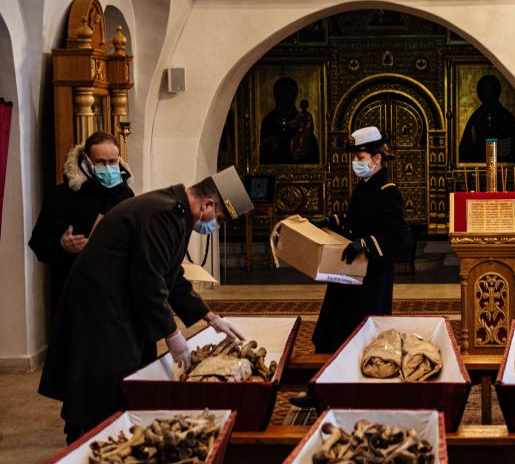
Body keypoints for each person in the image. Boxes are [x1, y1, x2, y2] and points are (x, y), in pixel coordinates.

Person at [38, 167, 253, 442]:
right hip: (100, 305)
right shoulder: (164, 214)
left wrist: (210, 316)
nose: (216, 226)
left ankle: (113, 432)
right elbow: (150, 281)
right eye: (219, 218)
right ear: (207, 204)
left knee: (132, 366)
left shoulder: (175, 212)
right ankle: (88, 438)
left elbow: (171, 275)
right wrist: (172, 335)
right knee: (107, 375)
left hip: (117, 300)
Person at [291, 127, 410, 407]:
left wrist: (365, 243)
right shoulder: (367, 187)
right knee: (329, 332)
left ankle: (358, 394)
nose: (356, 162)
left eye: (360, 156)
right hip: (348, 275)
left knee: (358, 336)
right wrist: (331, 222)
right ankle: (320, 391)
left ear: (377, 158)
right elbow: (355, 220)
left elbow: (400, 235)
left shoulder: (387, 192)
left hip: (370, 280)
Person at [28, 131, 134, 311]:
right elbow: (39, 243)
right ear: (86, 160)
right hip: (76, 295)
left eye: (112, 162)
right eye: (101, 162)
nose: (108, 168)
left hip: (116, 296)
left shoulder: (125, 194)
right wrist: (62, 245)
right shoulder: (61, 196)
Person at [458, 74, 515, 163]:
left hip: (501, 165)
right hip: (479, 164)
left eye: (490, 89)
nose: (487, 93)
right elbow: (466, 147)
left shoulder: (506, 117)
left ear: (497, 91)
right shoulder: (476, 116)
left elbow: (512, 148)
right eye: (484, 90)